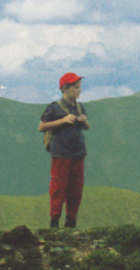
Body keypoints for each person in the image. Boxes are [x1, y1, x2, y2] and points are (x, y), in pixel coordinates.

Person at [39, 72, 91, 228]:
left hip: (78, 153)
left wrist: (84, 121)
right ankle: (54, 221)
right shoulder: (54, 108)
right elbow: (42, 126)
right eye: (76, 88)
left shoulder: (80, 107)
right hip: (60, 154)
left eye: (79, 87)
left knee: (76, 189)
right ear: (65, 89)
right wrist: (63, 120)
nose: (79, 91)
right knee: (58, 188)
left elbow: (87, 127)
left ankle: (71, 221)